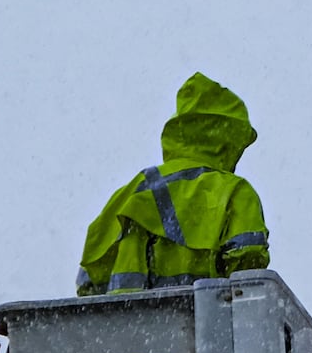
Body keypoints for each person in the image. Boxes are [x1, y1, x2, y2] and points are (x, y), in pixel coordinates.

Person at [76, 73, 273, 294]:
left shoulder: (132, 191)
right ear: (228, 139)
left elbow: (89, 278)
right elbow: (248, 265)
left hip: (122, 324)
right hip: (202, 321)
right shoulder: (234, 192)